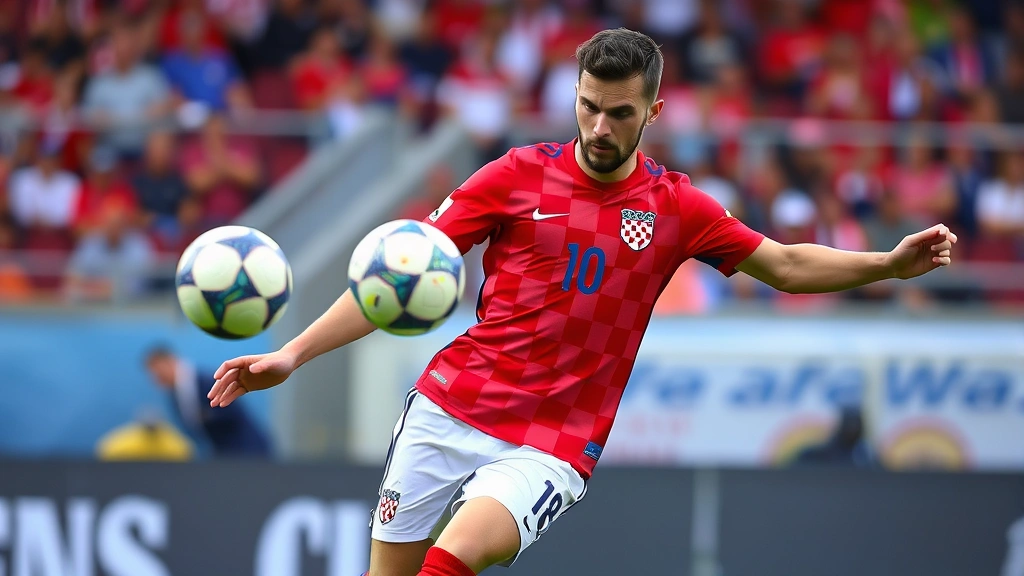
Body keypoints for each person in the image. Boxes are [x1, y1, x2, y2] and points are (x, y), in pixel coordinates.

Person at [207, 28, 958, 576]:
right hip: (451, 404)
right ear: (574, 94)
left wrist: (886, 265)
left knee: (456, 557)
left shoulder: (678, 207)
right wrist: (292, 353)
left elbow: (788, 265)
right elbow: (394, 282)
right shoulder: (511, 177)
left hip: (554, 439)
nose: (600, 128)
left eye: (620, 113)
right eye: (590, 106)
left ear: (654, 112)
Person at [145, 346, 270, 458]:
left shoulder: (206, 381)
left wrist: (206, 416)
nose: (156, 377)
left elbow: (230, 413)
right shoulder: (174, 395)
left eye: (157, 371)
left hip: (246, 451)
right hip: (221, 454)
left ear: (169, 362)